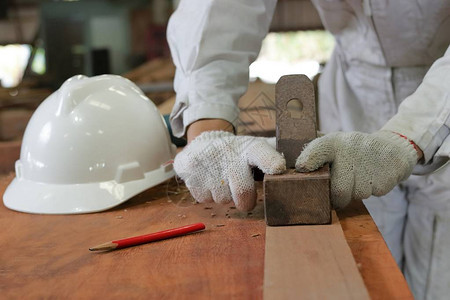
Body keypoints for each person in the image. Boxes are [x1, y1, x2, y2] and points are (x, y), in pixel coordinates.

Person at [166, 1, 450, 299]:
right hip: (351, 95)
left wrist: (414, 134)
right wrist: (207, 126)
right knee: (364, 266)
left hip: (442, 90)